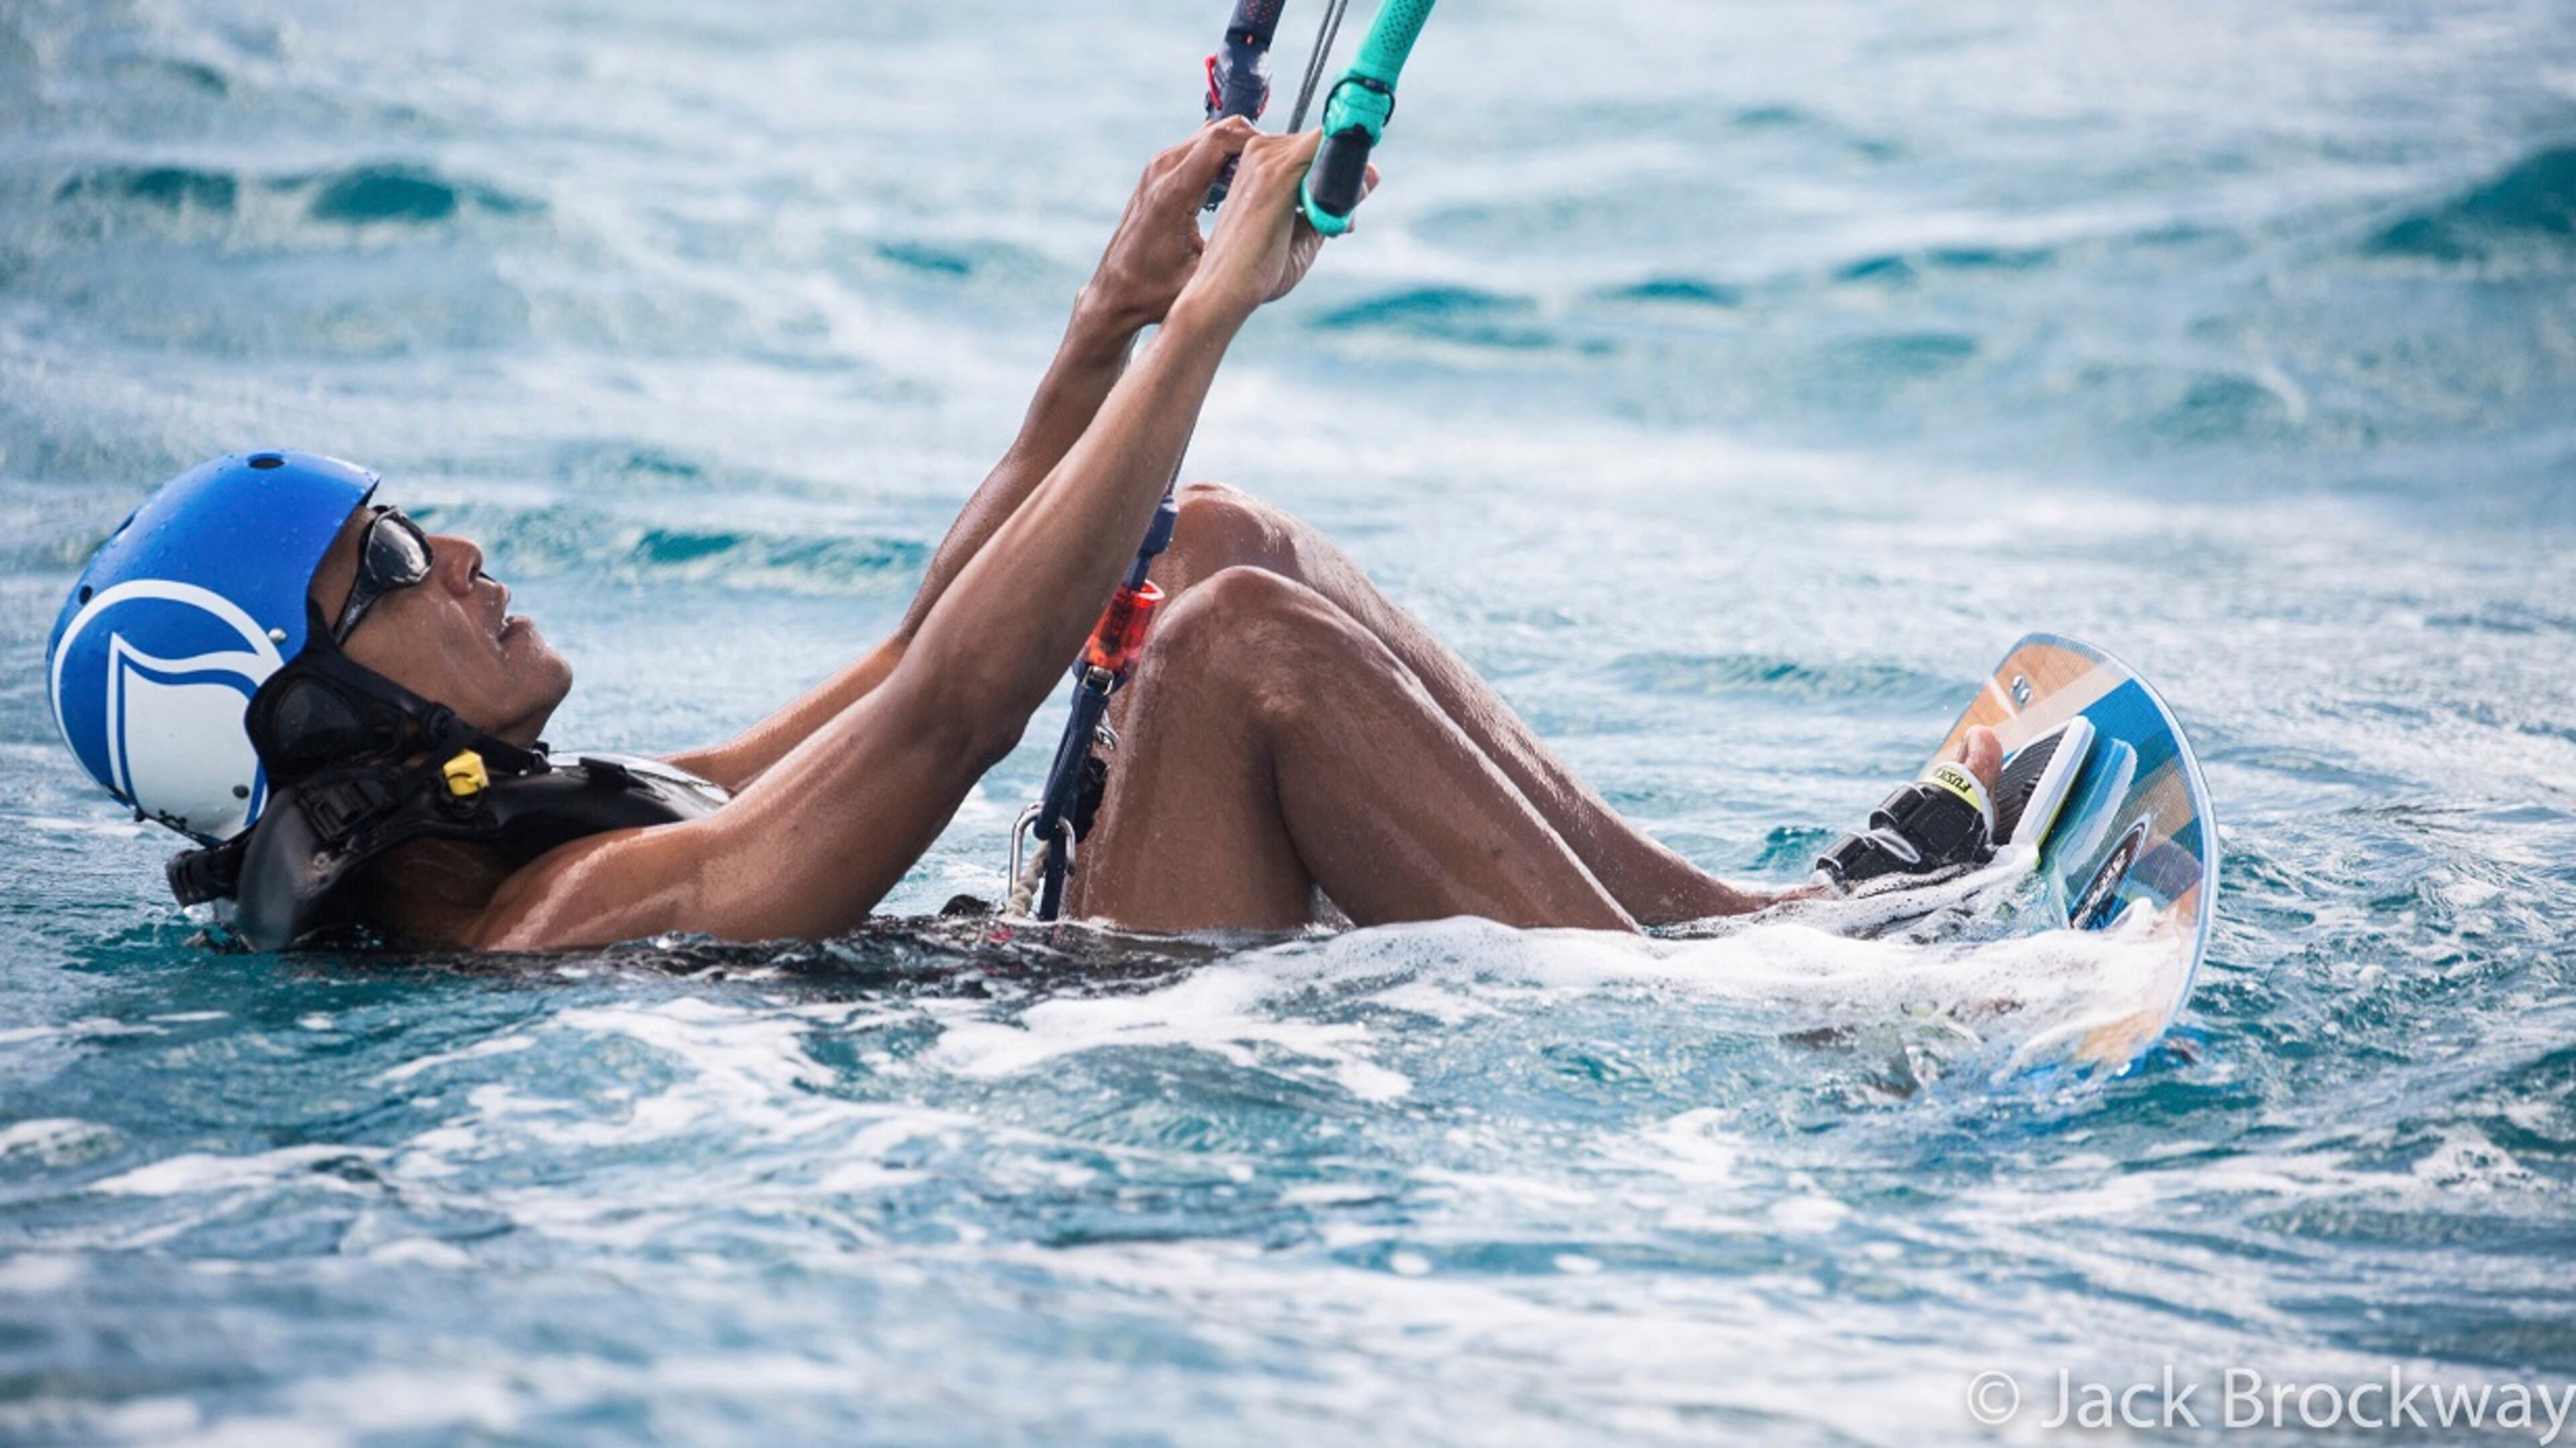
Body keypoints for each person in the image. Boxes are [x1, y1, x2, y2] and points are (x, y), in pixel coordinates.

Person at [45, 122, 2002, 952]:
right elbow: (947, 724)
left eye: (412, 525)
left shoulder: (576, 810)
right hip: (1110, 1068)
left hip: (1065, 983)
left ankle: (1754, 935)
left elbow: (910, 664)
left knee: (1206, 527)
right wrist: (1223, 317)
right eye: (383, 572)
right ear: (310, 734)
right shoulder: (557, 924)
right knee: (1230, 643)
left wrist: (1116, 311)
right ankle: (1791, 1030)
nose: (456, 555)